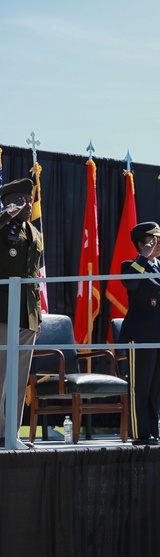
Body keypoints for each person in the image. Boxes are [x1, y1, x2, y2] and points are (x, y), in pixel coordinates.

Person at [119, 221, 160, 446]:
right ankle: (140, 433)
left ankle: (154, 432)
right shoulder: (132, 265)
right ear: (140, 243)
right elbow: (130, 283)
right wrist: (143, 257)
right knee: (141, 386)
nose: (159, 244)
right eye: (153, 240)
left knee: (157, 386)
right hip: (141, 336)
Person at [0, 178, 43, 449]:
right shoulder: (2, 226)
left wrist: (37, 315)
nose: (29, 205)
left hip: (27, 311)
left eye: (30, 200)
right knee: (1, 374)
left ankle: (11, 434)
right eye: (23, 200)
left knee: (18, 378)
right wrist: (5, 215)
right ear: (9, 202)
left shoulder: (34, 233)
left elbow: (34, 274)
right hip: (2, 309)